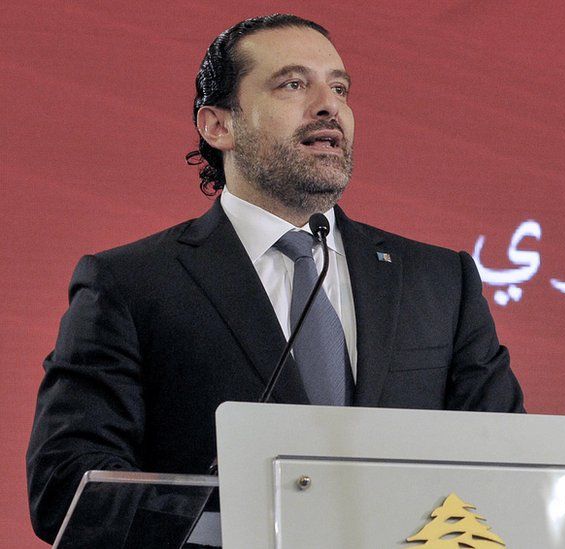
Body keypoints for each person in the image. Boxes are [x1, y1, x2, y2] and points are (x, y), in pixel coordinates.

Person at [26, 14, 524, 543]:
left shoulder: (440, 281)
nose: (329, 105)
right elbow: (65, 483)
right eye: (292, 84)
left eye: (339, 87)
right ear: (218, 125)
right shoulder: (130, 283)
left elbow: (513, 466)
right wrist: (243, 515)